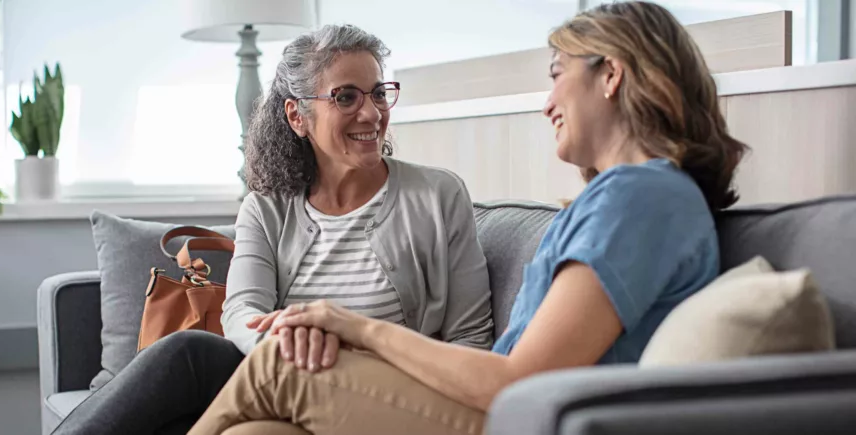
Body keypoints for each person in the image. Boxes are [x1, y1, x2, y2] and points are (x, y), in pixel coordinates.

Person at [187, 2, 749, 434]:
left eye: (557, 74)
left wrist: (353, 326)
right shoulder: (625, 197)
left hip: (519, 418)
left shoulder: (641, 199)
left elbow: (521, 378)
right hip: (501, 406)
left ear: (612, 76)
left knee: (278, 370)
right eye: (346, 97)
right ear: (297, 116)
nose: (547, 102)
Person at [51, 24, 494, 435]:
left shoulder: (438, 195)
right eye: (346, 97)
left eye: (378, 93)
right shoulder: (266, 207)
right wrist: (291, 337)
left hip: (381, 393)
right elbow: (242, 308)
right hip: (285, 378)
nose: (372, 112)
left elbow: (472, 340)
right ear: (297, 117)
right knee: (189, 358)